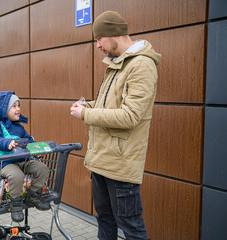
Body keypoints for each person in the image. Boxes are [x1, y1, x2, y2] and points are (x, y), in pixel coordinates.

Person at [70, 11, 161, 240]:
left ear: (113, 34)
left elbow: (130, 116)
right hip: (102, 160)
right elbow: (108, 104)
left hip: (121, 164)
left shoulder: (141, 65)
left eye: (99, 39)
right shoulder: (116, 63)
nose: (98, 45)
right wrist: (87, 104)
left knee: (131, 228)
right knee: (105, 220)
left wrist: (86, 115)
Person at [0, 91, 50, 223]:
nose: (18, 109)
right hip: (4, 163)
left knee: (42, 168)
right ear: (3, 110)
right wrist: (7, 143)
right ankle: (15, 204)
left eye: (18, 105)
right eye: (14, 106)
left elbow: (28, 140)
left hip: (22, 160)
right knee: (17, 176)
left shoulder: (19, 127)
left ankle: (33, 195)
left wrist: (36, 149)